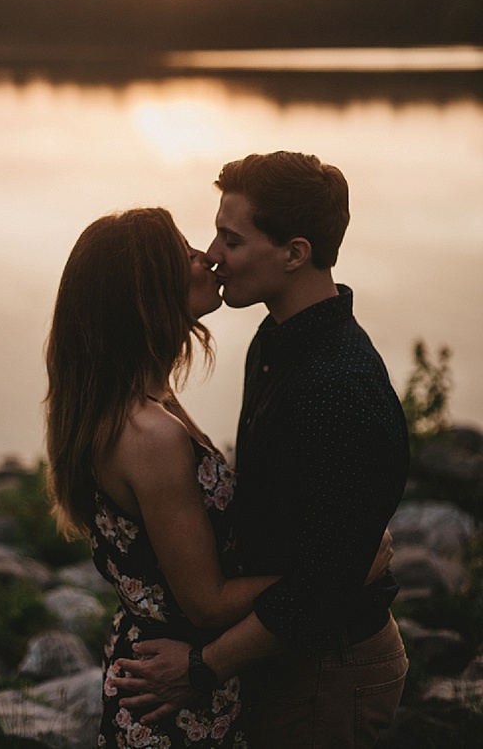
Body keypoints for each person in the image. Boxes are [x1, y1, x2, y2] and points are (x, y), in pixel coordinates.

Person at [45, 205, 393, 748]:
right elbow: (206, 601)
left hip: (170, 671)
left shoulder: (140, 402)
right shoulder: (149, 434)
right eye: (184, 254)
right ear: (146, 292)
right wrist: (343, 567)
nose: (206, 257)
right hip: (177, 692)